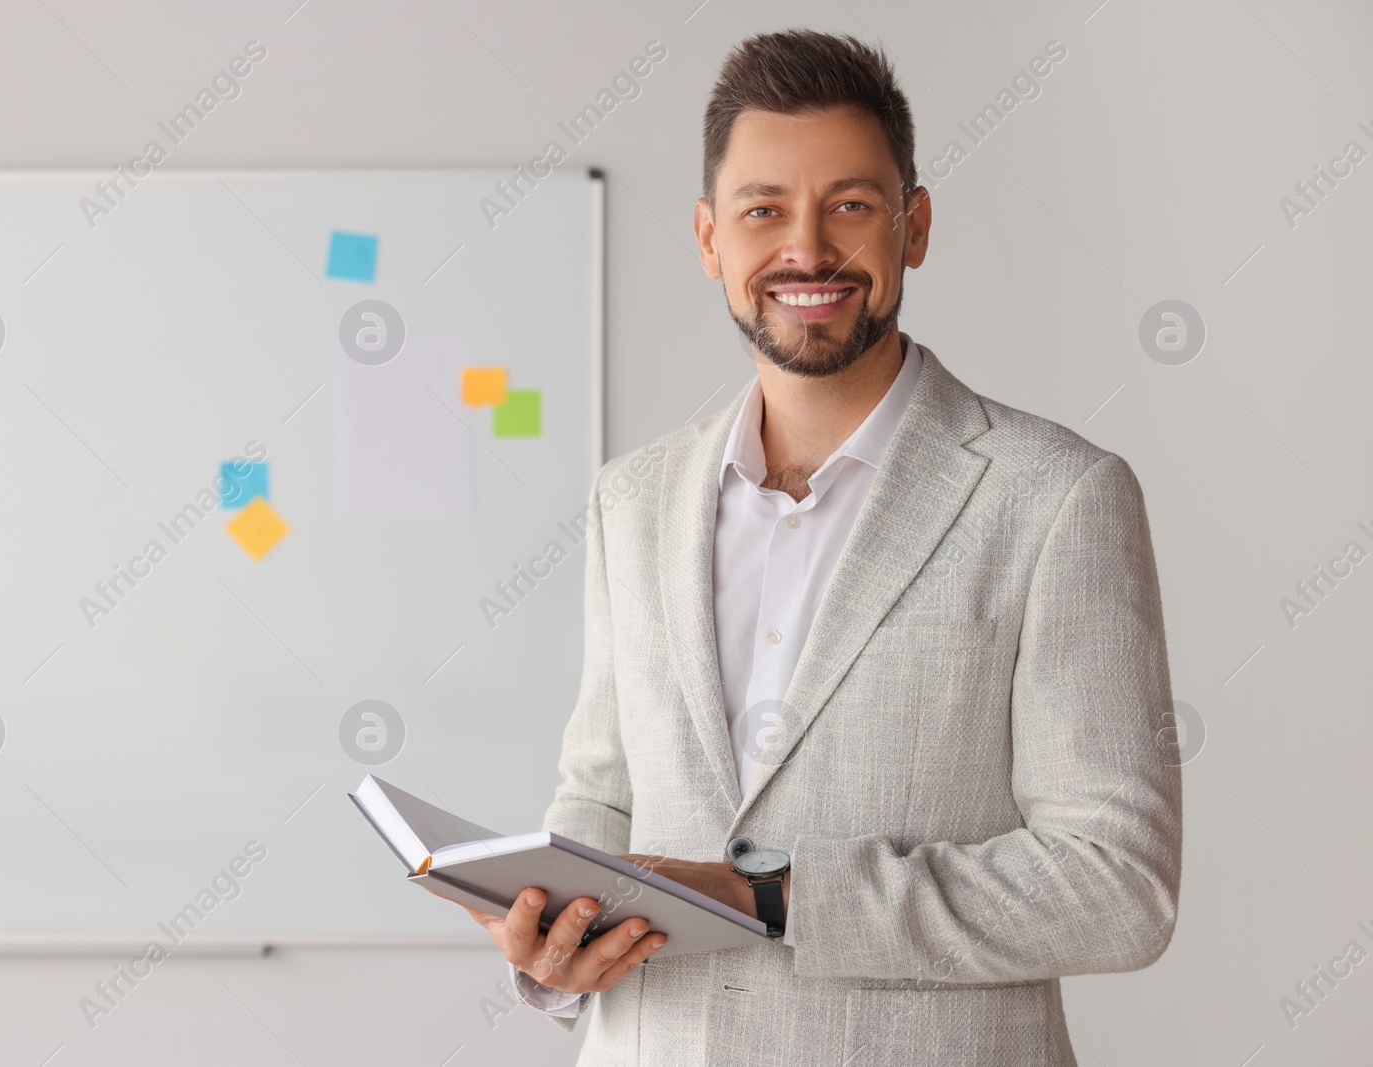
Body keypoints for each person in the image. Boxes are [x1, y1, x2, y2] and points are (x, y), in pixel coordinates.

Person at [439, 29, 1181, 1065]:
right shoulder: (633, 498)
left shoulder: (1056, 498)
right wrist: (551, 937)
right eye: (763, 211)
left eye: (849, 204)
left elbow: (1115, 884)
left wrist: (774, 896)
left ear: (912, 226)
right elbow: (603, 793)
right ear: (708, 238)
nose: (807, 249)